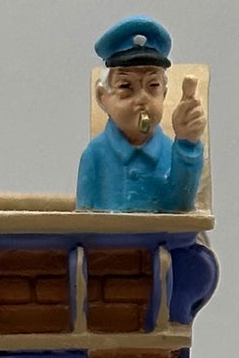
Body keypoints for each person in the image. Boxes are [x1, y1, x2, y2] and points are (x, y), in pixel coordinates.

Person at [76, 15, 206, 212]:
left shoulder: (170, 152)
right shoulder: (95, 155)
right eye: (126, 87)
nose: (142, 98)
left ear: (164, 94)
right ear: (103, 97)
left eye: (153, 86)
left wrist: (187, 143)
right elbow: (83, 216)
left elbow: (181, 205)